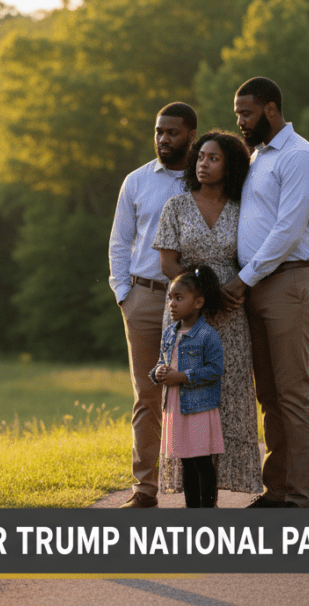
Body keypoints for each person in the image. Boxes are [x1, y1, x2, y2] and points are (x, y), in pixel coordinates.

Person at [222, 77, 309, 509]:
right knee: (269, 394)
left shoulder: (299, 156)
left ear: (269, 109)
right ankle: (276, 490)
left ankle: (299, 498)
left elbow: (287, 230)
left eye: (245, 113)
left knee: (292, 392)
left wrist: (243, 280)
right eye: (237, 115)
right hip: (259, 285)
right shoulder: (258, 157)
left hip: (290, 280)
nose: (240, 123)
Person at [152, 131, 263, 499]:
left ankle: (212, 497)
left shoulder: (243, 207)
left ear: (229, 164)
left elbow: (250, 258)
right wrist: (201, 298)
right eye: (200, 157)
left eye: (213, 158)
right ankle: (195, 504)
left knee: (226, 398)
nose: (203, 163)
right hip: (187, 315)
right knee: (189, 399)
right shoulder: (177, 206)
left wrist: (227, 296)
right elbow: (168, 262)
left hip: (231, 315)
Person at [108, 101, 198, 509]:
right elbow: (119, 241)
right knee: (147, 397)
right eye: (159, 132)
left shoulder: (206, 178)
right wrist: (124, 294)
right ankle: (145, 490)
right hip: (144, 299)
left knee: (195, 393)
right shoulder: (137, 181)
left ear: (190, 135)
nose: (163, 139)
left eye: (172, 132)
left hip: (193, 303)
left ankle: (198, 491)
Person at [150, 265, 226, 508]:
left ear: (198, 303)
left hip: (199, 407)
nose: (171, 303)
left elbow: (214, 370)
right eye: (170, 298)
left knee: (201, 461)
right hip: (176, 406)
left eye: (179, 298)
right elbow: (163, 363)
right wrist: (158, 372)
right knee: (185, 461)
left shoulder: (207, 335)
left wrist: (183, 377)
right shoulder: (169, 333)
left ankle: (207, 509)